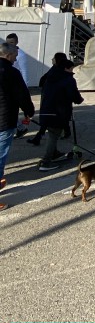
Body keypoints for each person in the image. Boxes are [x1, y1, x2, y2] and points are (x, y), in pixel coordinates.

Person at [0, 42, 35, 210]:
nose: (15, 59)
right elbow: (22, 95)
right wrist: (29, 111)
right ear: (7, 56)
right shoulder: (11, 72)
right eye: (14, 56)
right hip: (4, 120)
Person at [38, 59, 84, 171]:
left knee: (51, 134)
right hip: (58, 112)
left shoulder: (50, 76)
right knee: (53, 135)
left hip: (45, 110)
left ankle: (54, 153)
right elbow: (74, 95)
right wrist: (79, 99)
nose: (72, 71)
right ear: (66, 68)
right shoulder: (68, 79)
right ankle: (46, 162)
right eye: (71, 69)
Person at [27, 53, 70, 146]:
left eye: (54, 58)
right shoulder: (55, 69)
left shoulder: (60, 70)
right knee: (50, 118)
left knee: (53, 117)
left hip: (55, 99)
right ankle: (38, 137)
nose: (52, 59)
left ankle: (41, 139)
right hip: (50, 98)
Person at [6, 33, 30, 137]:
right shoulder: (5, 53)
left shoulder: (20, 55)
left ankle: (21, 127)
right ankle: (20, 128)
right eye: (8, 42)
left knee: (9, 109)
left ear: (16, 42)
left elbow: (24, 72)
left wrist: (24, 89)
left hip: (15, 87)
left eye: (11, 42)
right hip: (6, 86)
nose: (9, 44)